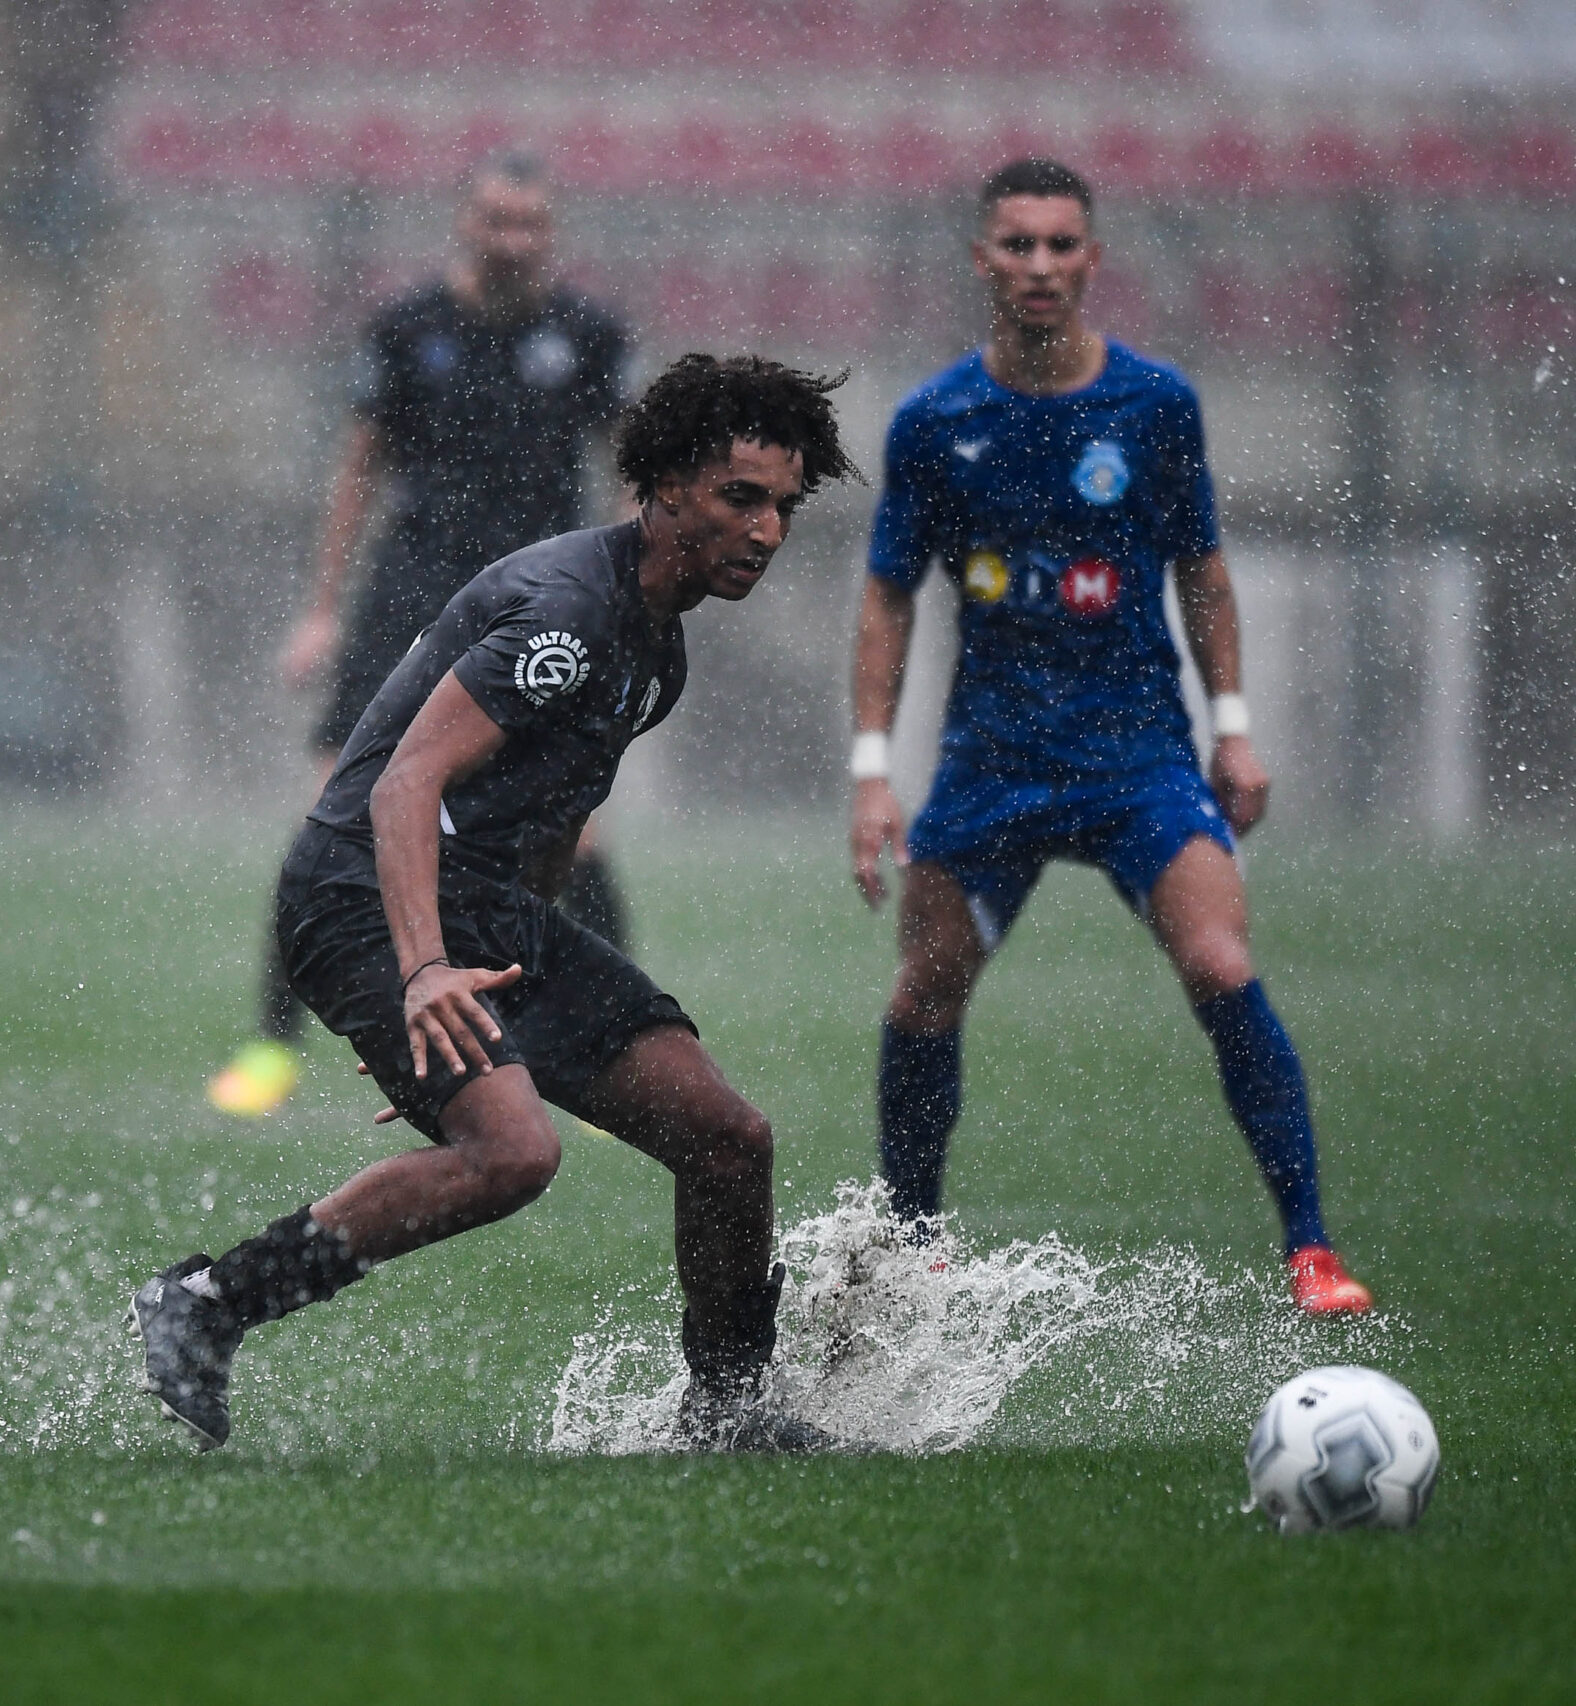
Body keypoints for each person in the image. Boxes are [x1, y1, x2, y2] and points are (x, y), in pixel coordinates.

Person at [137, 353, 856, 1452]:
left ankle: (726, 1411)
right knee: (514, 1153)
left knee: (725, 1138)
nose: (764, 531)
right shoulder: (569, 619)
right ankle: (207, 1302)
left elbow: (552, 821)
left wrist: (484, 1016)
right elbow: (402, 785)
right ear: (665, 486)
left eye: (783, 507)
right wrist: (419, 976)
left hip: (487, 909)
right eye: (739, 497)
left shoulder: (656, 647)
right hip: (358, 897)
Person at [848, 158, 1372, 1316]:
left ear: (1092, 258)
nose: (1039, 265)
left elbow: (1202, 570)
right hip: (993, 757)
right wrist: (872, 771)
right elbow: (888, 595)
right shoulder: (936, 421)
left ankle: (1311, 1249)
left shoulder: (1153, 404)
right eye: (1017, 245)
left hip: (1136, 751)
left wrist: (1232, 733)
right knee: (923, 993)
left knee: (1221, 964)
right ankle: (911, 1250)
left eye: (1060, 245)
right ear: (980, 258)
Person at [207, 151, 634, 1118]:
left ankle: (625, 1035)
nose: (513, 240)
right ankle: (272, 1050)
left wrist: (617, 598)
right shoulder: (408, 330)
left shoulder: (591, 336)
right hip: (409, 604)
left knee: (580, 826)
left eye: (530, 223)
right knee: (326, 816)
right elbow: (359, 469)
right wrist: (323, 610)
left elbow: (626, 466)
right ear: (464, 224)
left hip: (542, 609)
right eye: (496, 221)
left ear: (552, 233)